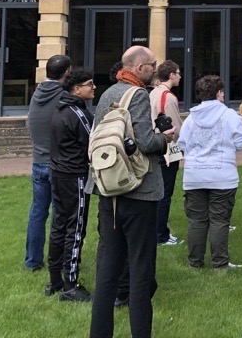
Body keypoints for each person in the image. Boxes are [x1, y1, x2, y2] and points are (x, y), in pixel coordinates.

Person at [88, 46, 175, 338]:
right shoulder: (137, 95)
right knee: (140, 270)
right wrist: (165, 138)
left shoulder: (106, 94)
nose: (155, 68)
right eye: (152, 64)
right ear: (139, 69)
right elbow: (146, 143)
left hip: (108, 188)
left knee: (107, 271)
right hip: (137, 191)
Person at [177, 74, 242, 269]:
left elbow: (181, 143)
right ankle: (220, 262)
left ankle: (195, 262)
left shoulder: (191, 118)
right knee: (219, 220)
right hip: (222, 175)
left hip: (195, 174)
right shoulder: (230, 116)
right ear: (218, 93)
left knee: (197, 220)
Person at [47, 66, 95, 301]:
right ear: (77, 89)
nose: (94, 88)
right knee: (75, 229)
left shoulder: (60, 109)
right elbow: (93, 140)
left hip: (58, 173)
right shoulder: (76, 113)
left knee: (59, 225)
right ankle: (70, 285)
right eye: (90, 84)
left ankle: (54, 279)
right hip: (74, 175)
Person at [25, 53, 71, 271]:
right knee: (60, 215)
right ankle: (59, 260)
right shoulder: (62, 96)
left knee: (37, 212)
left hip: (38, 162)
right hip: (57, 162)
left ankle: (32, 260)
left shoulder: (37, 94)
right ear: (67, 73)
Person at [150, 60, 183, 247]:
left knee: (158, 192)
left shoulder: (153, 93)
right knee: (165, 193)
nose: (179, 76)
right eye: (178, 72)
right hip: (167, 148)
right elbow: (176, 128)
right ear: (171, 75)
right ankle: (161, 234)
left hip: (155, 145)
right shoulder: (168, 97)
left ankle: (158, 231)